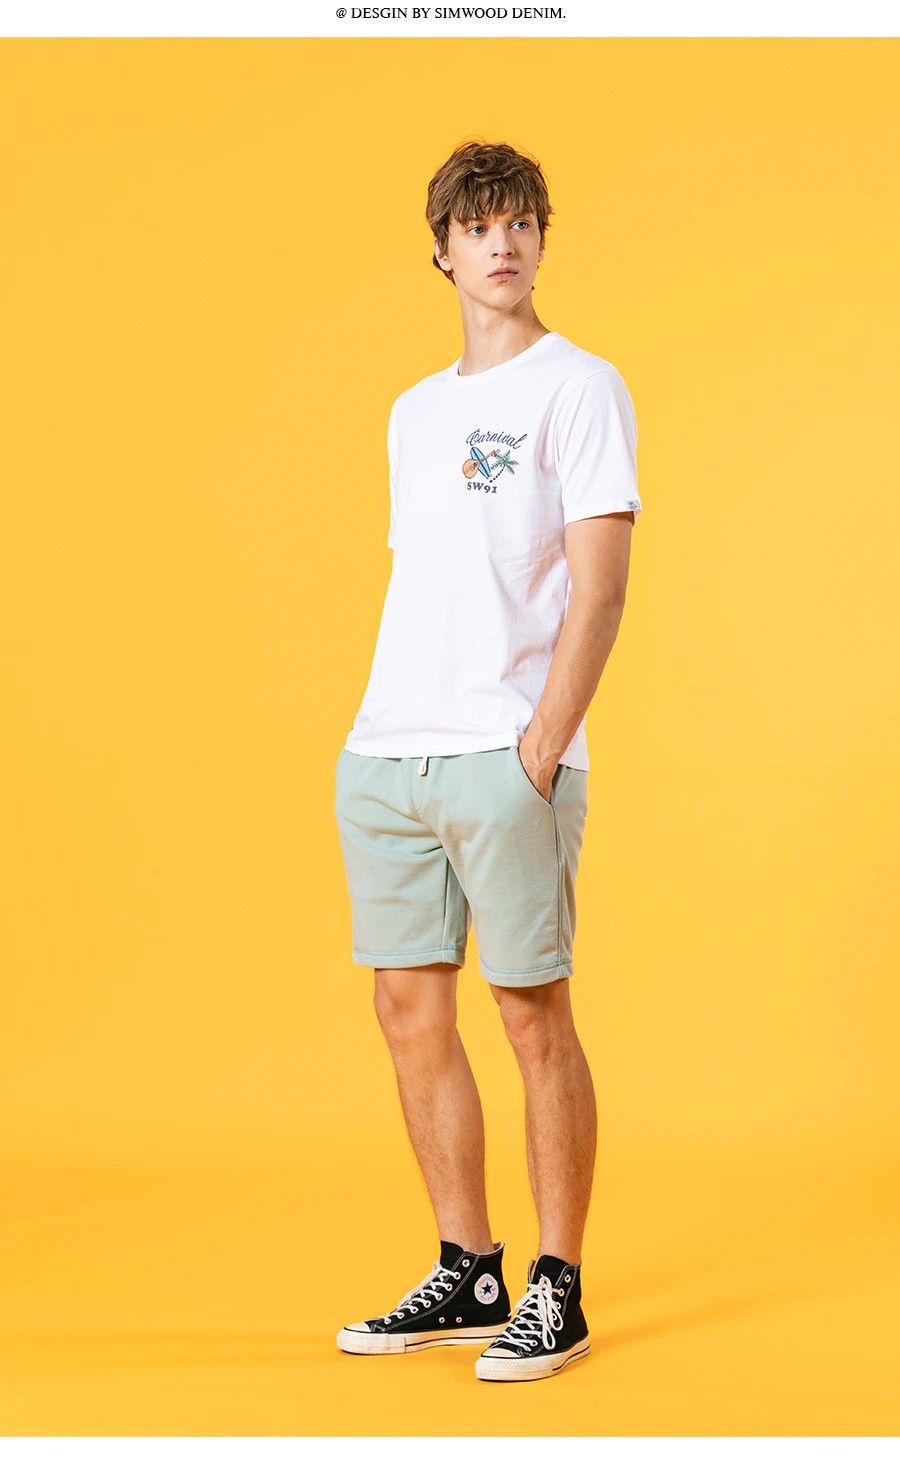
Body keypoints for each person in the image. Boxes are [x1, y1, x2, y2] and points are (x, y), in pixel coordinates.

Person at [333, 139, 642, 1383]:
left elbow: (600, 589)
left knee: (529, 1011)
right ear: (442, 251)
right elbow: (432, 580)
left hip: (505, 753)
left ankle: (558, 1283)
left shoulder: (581, 387)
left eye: (520, 223)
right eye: (477, 226)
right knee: (408, 1011)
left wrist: (540, 748)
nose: (501, 243)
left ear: (541, 241)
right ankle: (469, 1266)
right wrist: (376, 738)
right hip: (388, 750)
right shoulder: (414, 411)